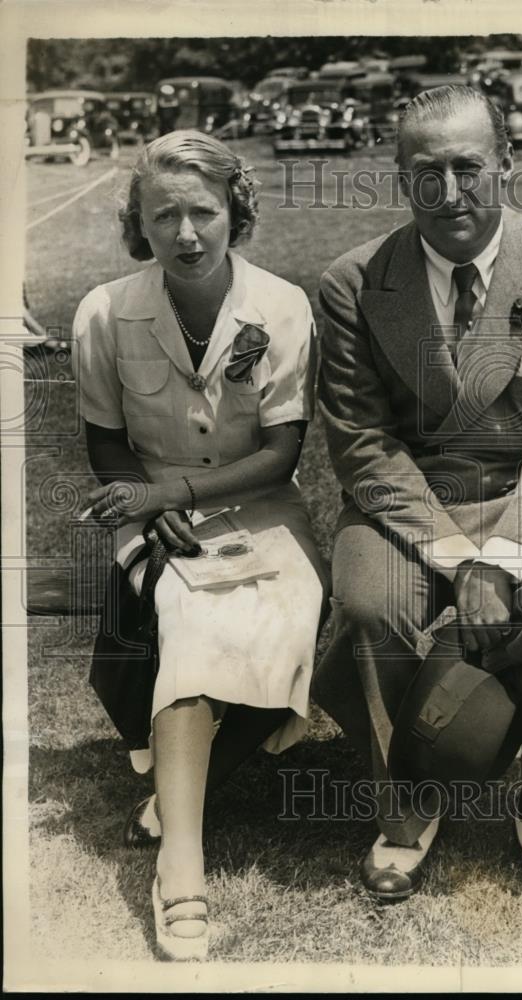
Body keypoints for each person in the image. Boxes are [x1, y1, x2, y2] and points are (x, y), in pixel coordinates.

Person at [313, 85, 522, 910]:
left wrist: (505, 553)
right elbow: (362, 444)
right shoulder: (352, 283)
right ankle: (405, 800)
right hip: (408, 502)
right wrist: (457, 556)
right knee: (367, 603)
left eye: (467, 168)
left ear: (506, 166)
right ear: (398, 178)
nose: (448, 193)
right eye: (426, 173)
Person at [73, 130, 328, 960]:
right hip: (155, 515)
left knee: (295, 608)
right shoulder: (104, 311)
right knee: (186, 614)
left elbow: (281, 454)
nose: (186, 234)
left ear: (234, 214)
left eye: (203, 213)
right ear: (138, 226)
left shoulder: (282, 305)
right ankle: (180, 868)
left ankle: (182, 793)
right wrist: (149, 514)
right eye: (164, 216)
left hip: (257, 505)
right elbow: (104, 442)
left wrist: (173, 493)